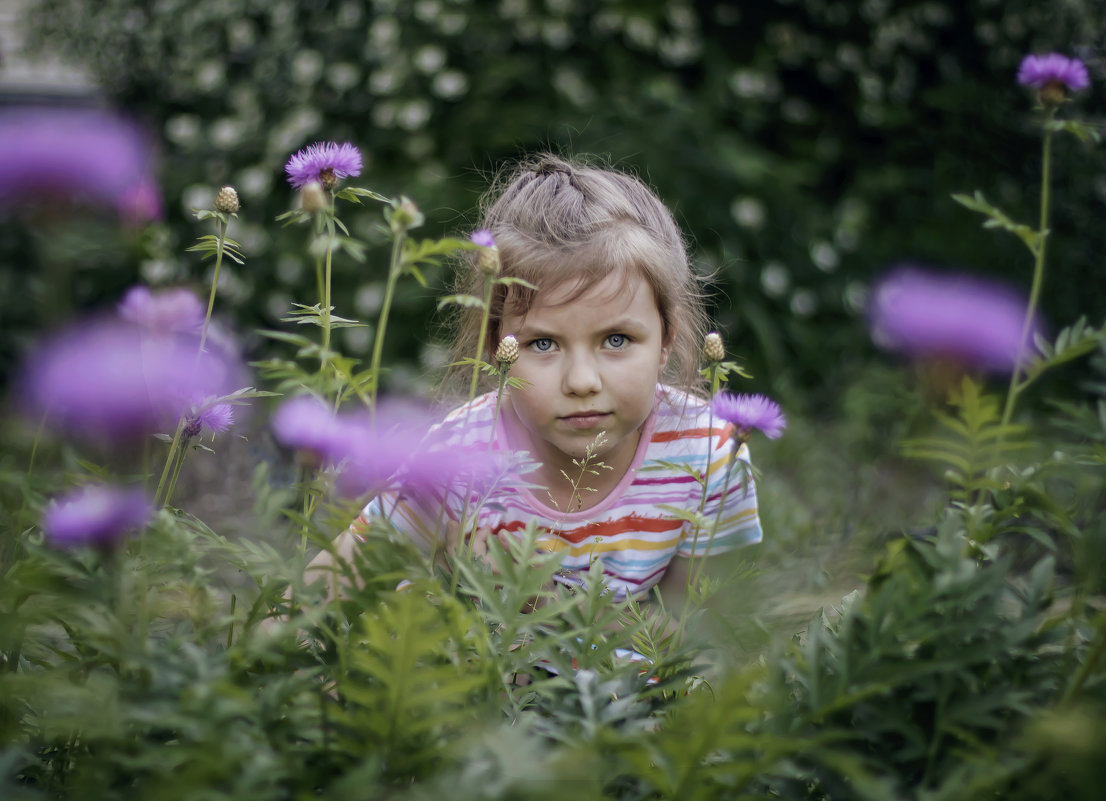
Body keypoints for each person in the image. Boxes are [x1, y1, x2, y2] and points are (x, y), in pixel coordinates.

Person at [315, 153, 762, 607]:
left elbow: (696, 635)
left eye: (616, 339)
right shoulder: (459, 454)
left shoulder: (708, 457)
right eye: (543, 344)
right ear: (497, 347)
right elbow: (325, 587)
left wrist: (543, 608)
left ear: (667, 336)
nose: (582, 382)